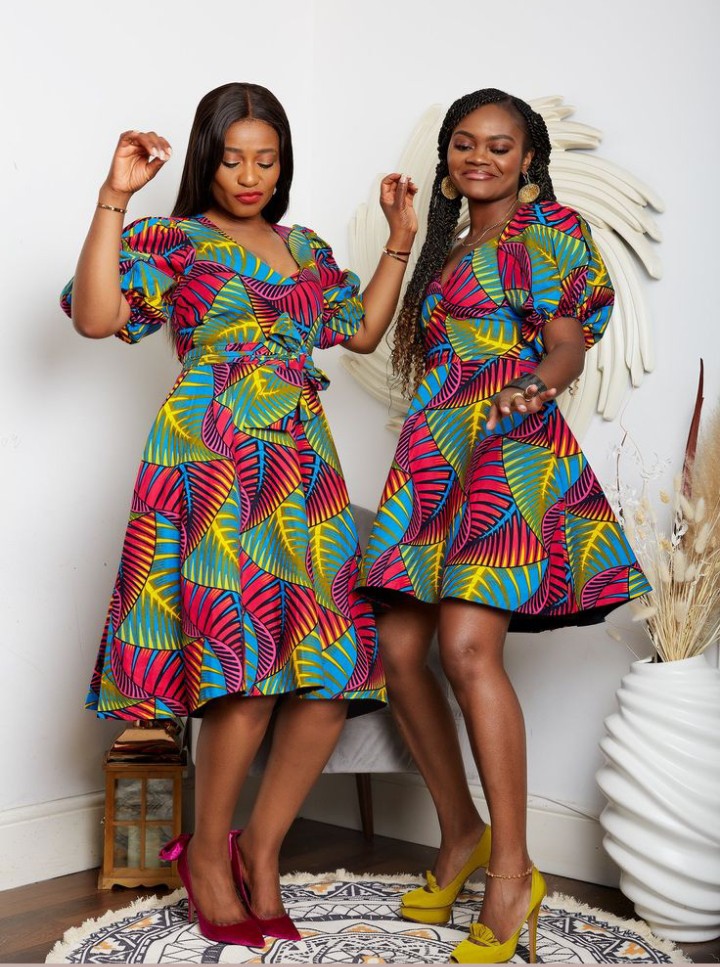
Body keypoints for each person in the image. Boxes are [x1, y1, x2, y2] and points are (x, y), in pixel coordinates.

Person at [60, 81, 417, 947]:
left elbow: (360, 332)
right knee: (245, 671)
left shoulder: (305, 247)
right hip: (213, 459)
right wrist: (113, 197)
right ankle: (207, 853)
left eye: (266, 159)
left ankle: (260, 846)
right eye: (232, 159)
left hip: (304, 467)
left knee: (332, 674)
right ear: (206, 161)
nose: (250, 175)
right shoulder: (175, 240)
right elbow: (98, 317)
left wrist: (400, 241)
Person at [359, 88, 651, 964]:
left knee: (467, 650)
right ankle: (461, 831)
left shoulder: (547, 230)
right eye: (464, 142)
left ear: (528, 159)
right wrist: (400, 233)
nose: (479, 156)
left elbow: (568, 342)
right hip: (434, 450)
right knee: (397, 647)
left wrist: (537, 386)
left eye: (499, 144)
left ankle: (513, 873)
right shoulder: (449, 244)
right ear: (447, 157)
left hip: (506, 446)